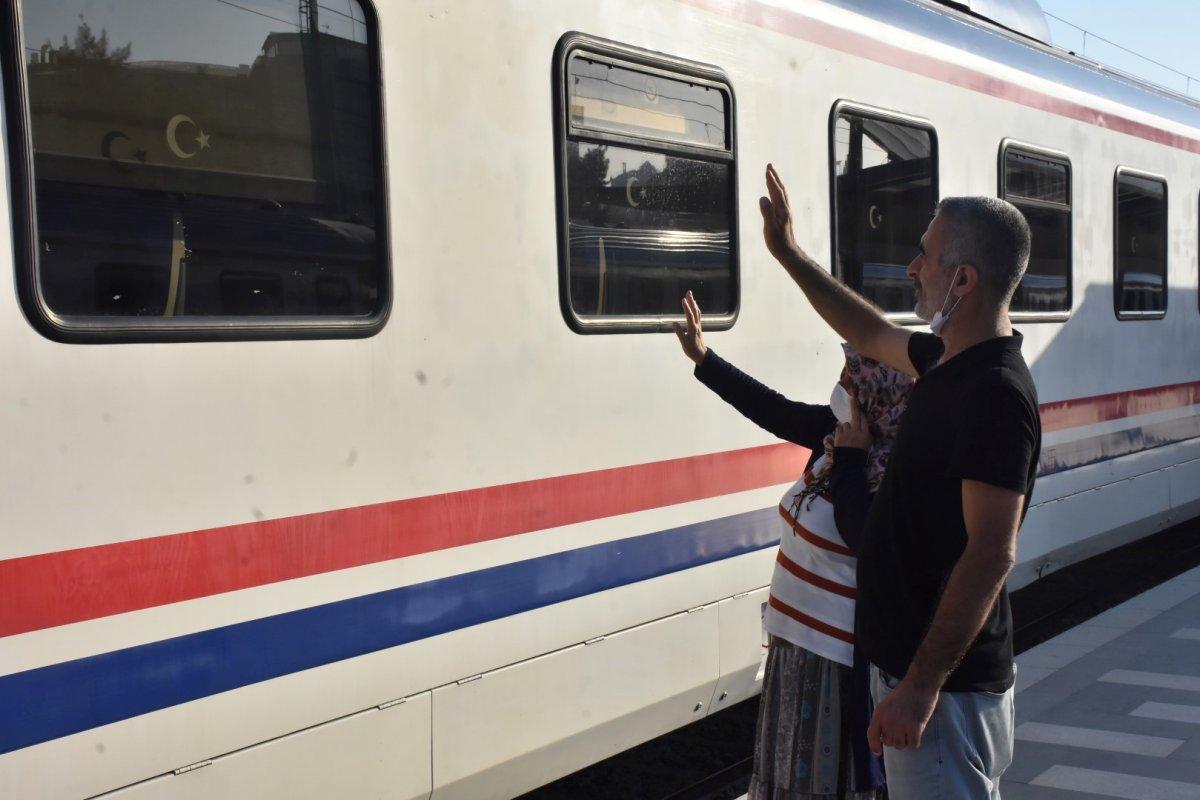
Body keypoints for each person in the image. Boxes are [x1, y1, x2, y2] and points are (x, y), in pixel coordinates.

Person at [756, 164, 1042, 799]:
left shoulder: (994, 395)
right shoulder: (944, 361)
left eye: (926, 255)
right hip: (915, 674)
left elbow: (991, 552)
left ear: (962, 281)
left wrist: (919, 688)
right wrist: (788, 254)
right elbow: (863, 330)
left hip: (946, 694)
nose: (912, 268)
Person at [674, 289, 913, 799]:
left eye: (854, 378)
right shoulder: (837, 434)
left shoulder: (891, 465)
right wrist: (705, 360)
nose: (843, 384)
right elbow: (776, 411)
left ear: (881, 392)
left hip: (838, 662)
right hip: (795, 646)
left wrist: (852, 460)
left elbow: (862, 535)